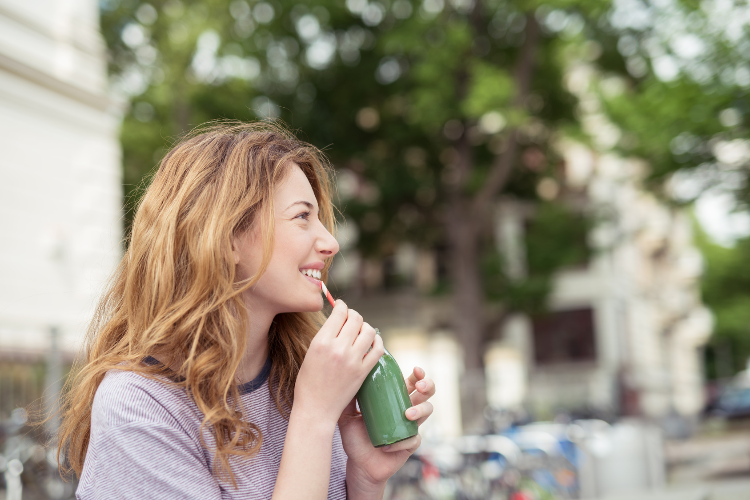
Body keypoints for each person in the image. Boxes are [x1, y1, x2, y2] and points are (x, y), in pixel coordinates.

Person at [57, 122, 436, 499]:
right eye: (303, 216)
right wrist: (314, 417)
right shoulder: (139, 408)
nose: (331, 242)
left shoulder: (302, 377)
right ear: (226, 239)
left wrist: (365, 480)